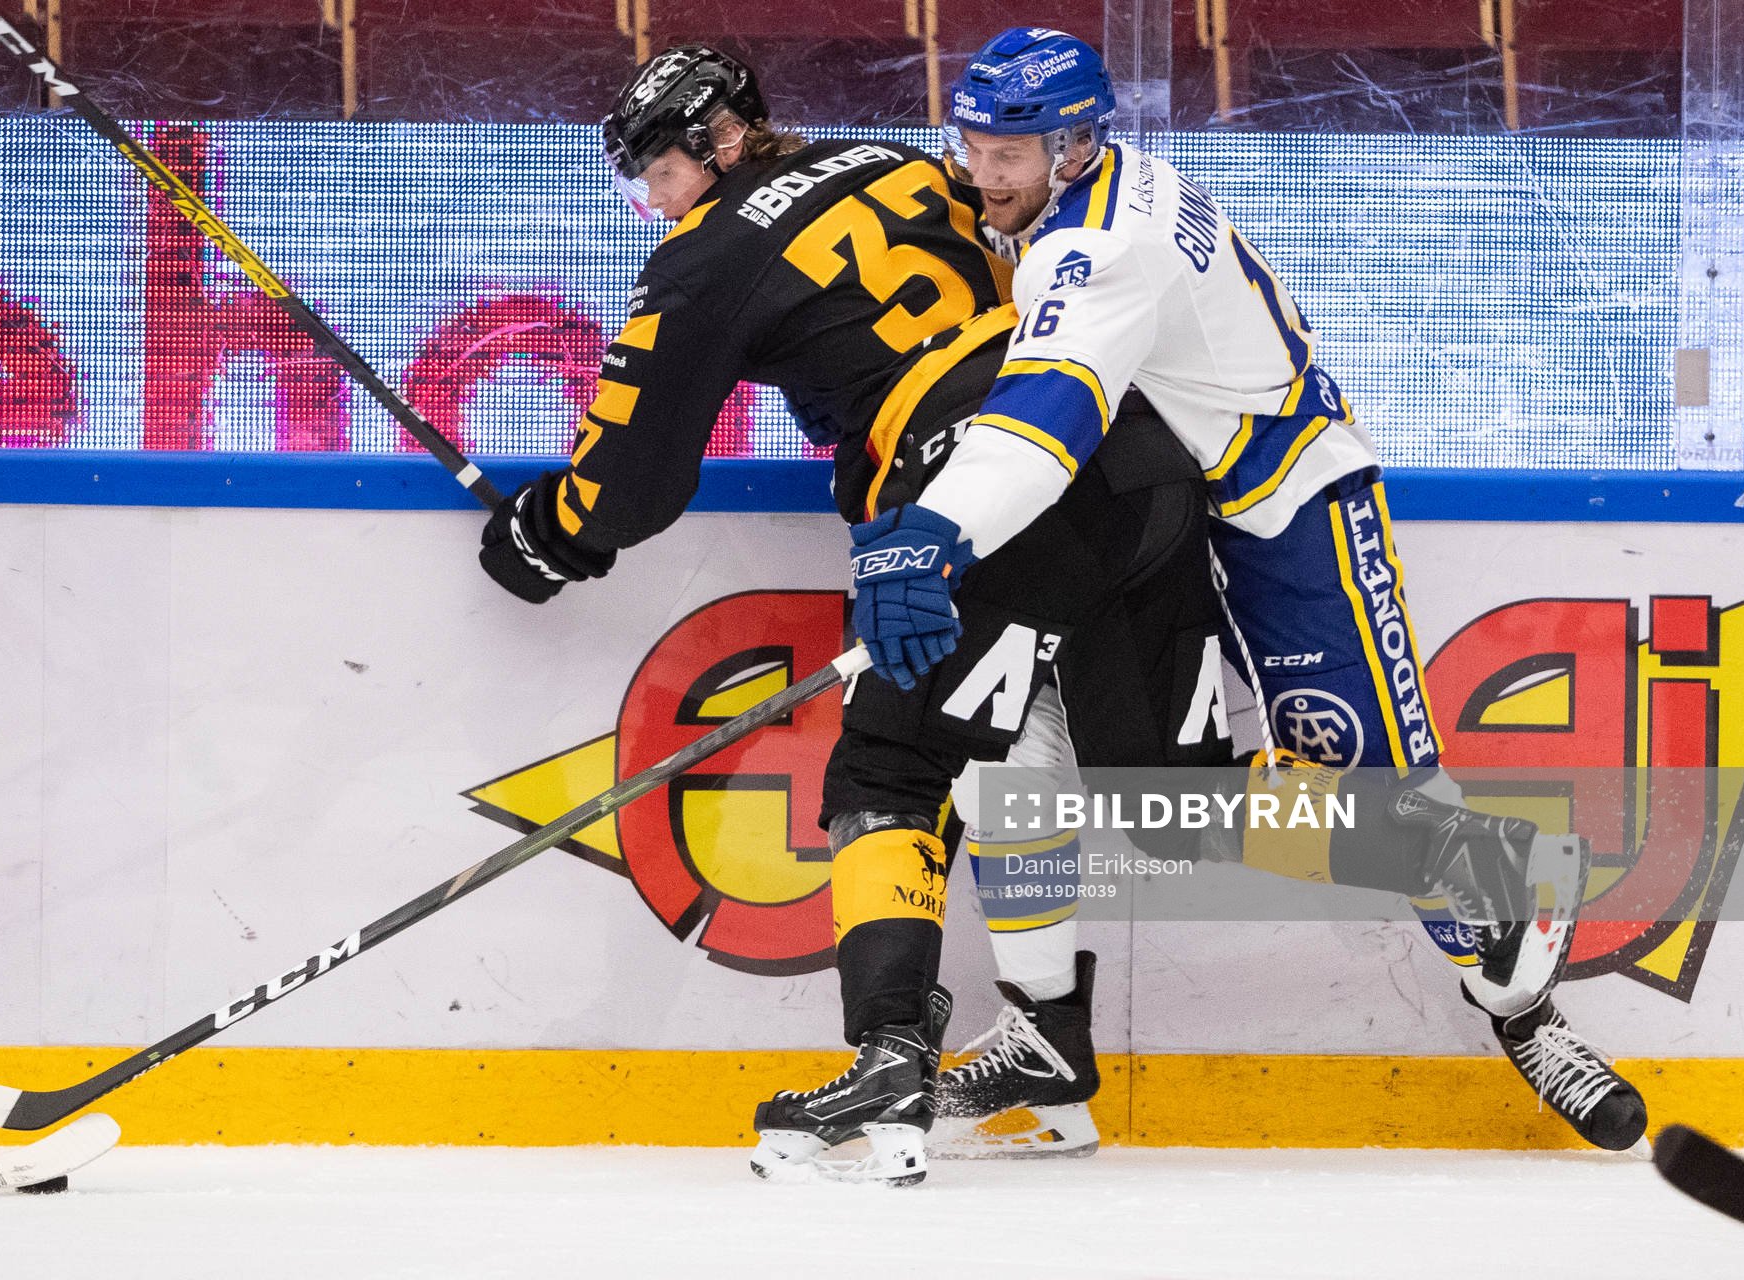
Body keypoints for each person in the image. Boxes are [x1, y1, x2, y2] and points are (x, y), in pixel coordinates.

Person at [860, 27, 1648, 1155]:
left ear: (1077, 146)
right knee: (1066, 753)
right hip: (1168, 513)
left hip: (1287, 504)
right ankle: (1042, 1021)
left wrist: (933, 529)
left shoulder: (1097, 248)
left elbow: (1046, 414)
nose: (984, 173)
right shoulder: (1080, 200)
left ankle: (1518, 997)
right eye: (973, 143)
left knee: (1375, 785)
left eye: (1012, 153)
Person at [476, 42, 1243, 1184]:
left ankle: (890, 1056)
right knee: (1175, 811)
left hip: (979, 492)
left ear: (719, 143)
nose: (652, 201)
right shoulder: (890, 160)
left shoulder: (704, 259)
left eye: (656, 173)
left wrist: (545, 534)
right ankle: (1478, 871)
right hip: (1133, 462)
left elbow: (632, 476)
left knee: (888, 769)